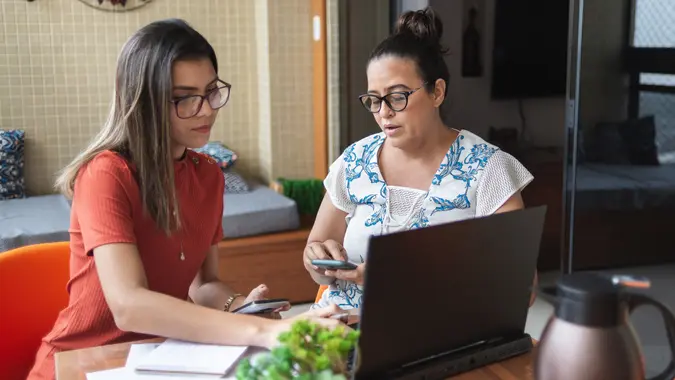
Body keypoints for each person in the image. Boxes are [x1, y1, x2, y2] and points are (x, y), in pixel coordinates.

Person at [27, 19, 344, 380]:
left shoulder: (208, 174)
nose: (207, 109)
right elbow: (129, 306)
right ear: (145, 102)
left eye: (211, 92)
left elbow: (204, 284)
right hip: (84, 362)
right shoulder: (106, 174)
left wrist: (241, 306)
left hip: (164, 357)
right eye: (186, 98)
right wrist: (267, 332)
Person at [304, 7, 537, 310]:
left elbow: (523, 288)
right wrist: (318, 261)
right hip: (341, 326)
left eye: (397, 96)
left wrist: (399, 278)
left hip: (437, 339)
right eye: (374, 100)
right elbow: (314, 256)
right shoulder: (354, 161)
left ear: (437, 92)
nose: (383, 112)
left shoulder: (486, 168)